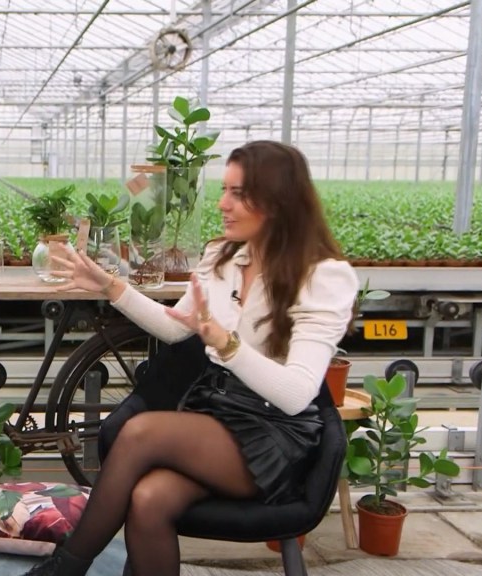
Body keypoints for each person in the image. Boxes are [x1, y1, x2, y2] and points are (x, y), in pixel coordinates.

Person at [23, 140, 359, 576]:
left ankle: (63, 569)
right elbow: (176, 327)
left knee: (139, 433)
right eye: (224, 190)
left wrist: (226, 344)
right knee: (148, 499)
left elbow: (297, 395)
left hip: (274, 433)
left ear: (277, 200)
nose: (223, 204)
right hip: (217, 415)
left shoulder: (324, 276)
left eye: (238, 193)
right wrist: (110, 286)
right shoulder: (224, 256)